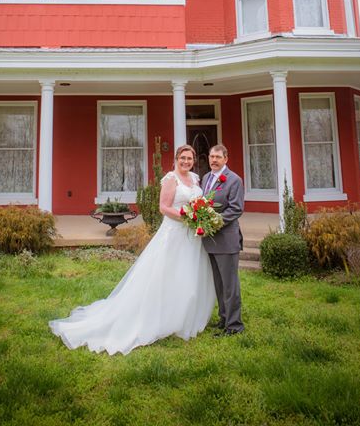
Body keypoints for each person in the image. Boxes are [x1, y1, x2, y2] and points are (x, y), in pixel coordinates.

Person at [49, 144, 215, 355]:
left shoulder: (195, 179)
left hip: (192, 235)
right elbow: (163, 207)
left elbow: (198, 200)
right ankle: (160, 317)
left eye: (189, 158)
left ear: (194, 160)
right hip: (174, 233)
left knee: (188, 275)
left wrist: (199, 215)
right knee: (166, 276)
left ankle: (185, 316)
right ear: (176, 159)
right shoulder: (170, 179)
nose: (186, 162)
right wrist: (187, 215)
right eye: (182, 158)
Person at [201, 144, 244, 335]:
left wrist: (213, 222)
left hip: (226, 240)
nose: (214, 160)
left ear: (226, 159)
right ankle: (224, 318)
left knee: (230, 285)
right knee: (219, 284)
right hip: (210, 241)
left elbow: (236, 208)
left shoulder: (234, 180)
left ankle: (235, 326)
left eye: (218, 157)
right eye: (211, 156)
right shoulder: (206, 178)